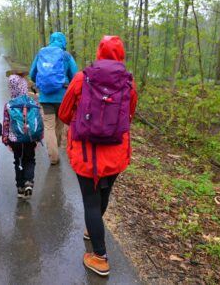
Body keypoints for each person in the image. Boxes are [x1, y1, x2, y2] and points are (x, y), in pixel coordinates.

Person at [58, 36, 138, 276]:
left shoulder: (82, 78)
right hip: (115, 153)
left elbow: (63, 113)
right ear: (121, 55)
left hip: (86, 152)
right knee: (103, 195)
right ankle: (93, 229)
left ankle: (100, 257)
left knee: (90, 202)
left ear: (99, 52)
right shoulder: (128, 83)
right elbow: (129, 116)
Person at [29, 32, 78, 165]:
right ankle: (55, 149)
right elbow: (75, 75)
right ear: (63, 41)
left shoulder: (41, 53)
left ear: (51, 40)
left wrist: (41, 82)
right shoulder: (66, 55)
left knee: (49, 126)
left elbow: (32, 73)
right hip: (63, 97)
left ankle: (53, 157)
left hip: (45, 97)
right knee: (59, 125)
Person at [2, 74, 42, 199]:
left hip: (15, 140)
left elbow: (6, 124)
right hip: (30, 138)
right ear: (24, 86)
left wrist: (6, 140)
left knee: (18, 162)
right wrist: (39, 138)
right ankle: (28, 181)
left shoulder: (8, 105)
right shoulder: (33, 102)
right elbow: (39, 121)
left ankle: (20, 189)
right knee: (30, 160)